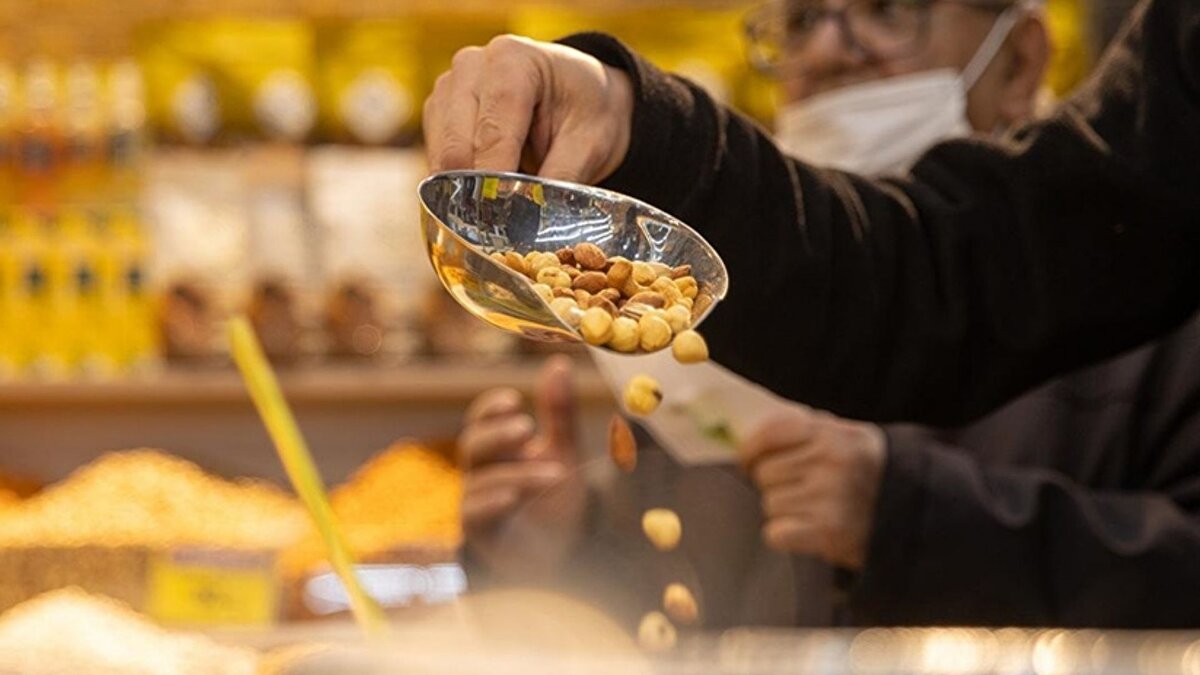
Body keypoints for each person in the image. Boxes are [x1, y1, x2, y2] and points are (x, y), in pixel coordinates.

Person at [435, 0, 1200, 626]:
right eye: (801, 22)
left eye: (887, 10)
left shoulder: (1134, 288)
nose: (833, 51)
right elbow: (698, 614)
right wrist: (573, 551)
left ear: (1022, 59)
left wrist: (915, 522)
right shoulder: (716, 304)